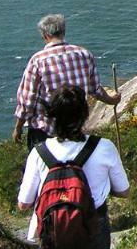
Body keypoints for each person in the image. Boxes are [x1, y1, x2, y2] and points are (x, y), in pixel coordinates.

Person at [18, 85, 129, 249]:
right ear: (84, 114)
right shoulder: (103, 147)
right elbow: (124, 191)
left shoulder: (39, 153)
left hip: (53, 232)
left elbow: (24, 204)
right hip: (93, 228)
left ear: (53, 117)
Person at [14, 13, 121, 150]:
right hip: (76, 129)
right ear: (63, 32)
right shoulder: (84, 54)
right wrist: (112, 100)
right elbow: (95, 89)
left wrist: (18, 128)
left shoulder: (38, 60)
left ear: (44, 35)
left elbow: (27, 100)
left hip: (46, 131)